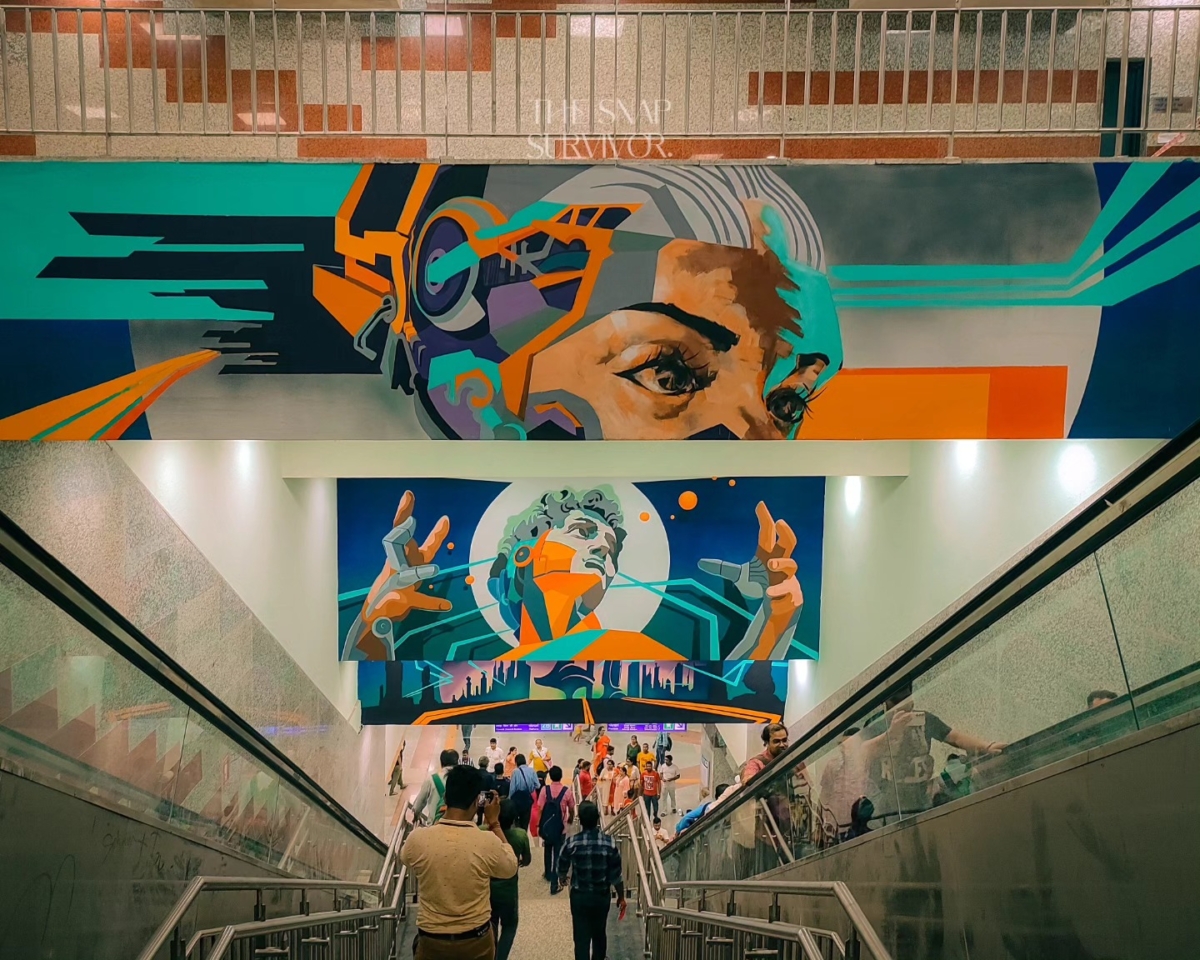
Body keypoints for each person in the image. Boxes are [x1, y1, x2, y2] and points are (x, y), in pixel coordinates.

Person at [400, 765, 518, 960]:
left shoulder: (418, 840)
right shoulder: (487, 842)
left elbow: (404, 857)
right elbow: (510, 867)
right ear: (477, 802)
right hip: (476, 941)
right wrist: (494, 823)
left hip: (432, 941)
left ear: (446, 798)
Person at [861, 683, 1006, 816]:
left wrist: (985, 746)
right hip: (891, 806)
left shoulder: (924, 719)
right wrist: (891, 734)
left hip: (921, 798)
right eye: (897, 702)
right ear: (887, 704)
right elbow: (862, 753)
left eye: (907, 699)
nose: (903, 707)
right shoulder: (877, 727)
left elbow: (954, 737)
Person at [558, 801, 626, 960]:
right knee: (599, 933)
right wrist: (621, 896)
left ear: (580, 821)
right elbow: (616, 875)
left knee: (581, 936)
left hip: (579, 896)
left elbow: (562, 863)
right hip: (601, 896)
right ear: (597, 820)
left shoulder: (572, 843)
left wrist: (562, 877)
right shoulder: (610, 843)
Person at [483, 799, 530, 960]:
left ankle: (492, 952)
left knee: (491, 923)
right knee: (509, 925)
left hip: (487, 887)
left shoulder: (483, 831)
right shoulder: (520, 835)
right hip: (509, 888)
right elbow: (527, 859)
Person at [531, 765, 576, 894]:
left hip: (547, 827)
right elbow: (572, 809)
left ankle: (548, 873)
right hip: (560, 828)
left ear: (550, 777)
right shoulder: (567, 791)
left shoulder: (545, 790)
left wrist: (539, 824)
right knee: (558, 853)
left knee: (547, 850)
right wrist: (569, 820)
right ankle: (555, 882)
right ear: (561, 776)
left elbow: (540, 808)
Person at [414, 749, 459, 825]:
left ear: (441, 763)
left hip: (435, 826)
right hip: (458, 828)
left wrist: (416, 816)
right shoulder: (465, 779)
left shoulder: (431, 779)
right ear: (457, 762)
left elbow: (419, 804)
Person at [509, 753, 540, 829]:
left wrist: (509, 798)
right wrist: (531, 788)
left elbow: (512, 788)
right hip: (527, 798)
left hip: (517, 799)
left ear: (516, 762)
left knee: (516, 820)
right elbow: (538, 785)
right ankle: (524, 833)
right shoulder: (532, 771)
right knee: (525, 820)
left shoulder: (515, 772)